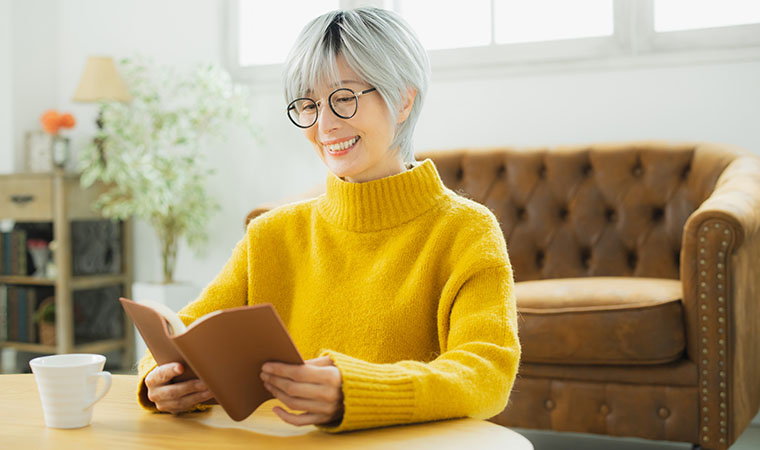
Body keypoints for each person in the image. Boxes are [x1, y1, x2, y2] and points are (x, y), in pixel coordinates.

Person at [137, 7, 520, 432]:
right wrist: (158, 377)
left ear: (404, 99)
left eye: (344, 98)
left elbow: (487, 373)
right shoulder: (271, 235)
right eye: (309, 104)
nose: (324, 125)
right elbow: (183, 332)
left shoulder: (466, 231)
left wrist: (358, 392)